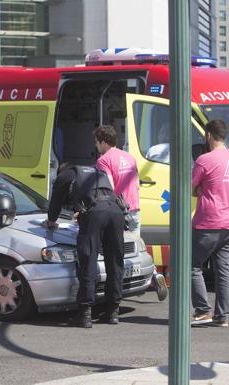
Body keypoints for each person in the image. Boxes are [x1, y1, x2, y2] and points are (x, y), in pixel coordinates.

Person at [44, 163, 124, 328]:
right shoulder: (97, 171)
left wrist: (51, 221)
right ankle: (113, 312)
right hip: (117, 211)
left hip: (95, 214)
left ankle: (85, 313)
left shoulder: (64, 175)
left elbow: (56, 201)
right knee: (115, 261)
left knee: (88, 260)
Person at [94, 125, 168, 302]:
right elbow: (135, 184)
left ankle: (115, 290)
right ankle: (153, 274)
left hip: (118, 211)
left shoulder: (103, 161)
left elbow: (108, 188)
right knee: (136, 248)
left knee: (115, 252)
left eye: (97, 142)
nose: (96, 146)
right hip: (134, 208)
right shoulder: (129, 157)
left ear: (103, 142)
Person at [190, 119, 229, 327]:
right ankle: (222, 316)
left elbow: (191, 187)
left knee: (191, 266)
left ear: (208, 135)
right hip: (227, 223)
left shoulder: (205, 160)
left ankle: (203, 310)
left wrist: (200, 190)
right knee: (223, 271)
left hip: (207, 221)